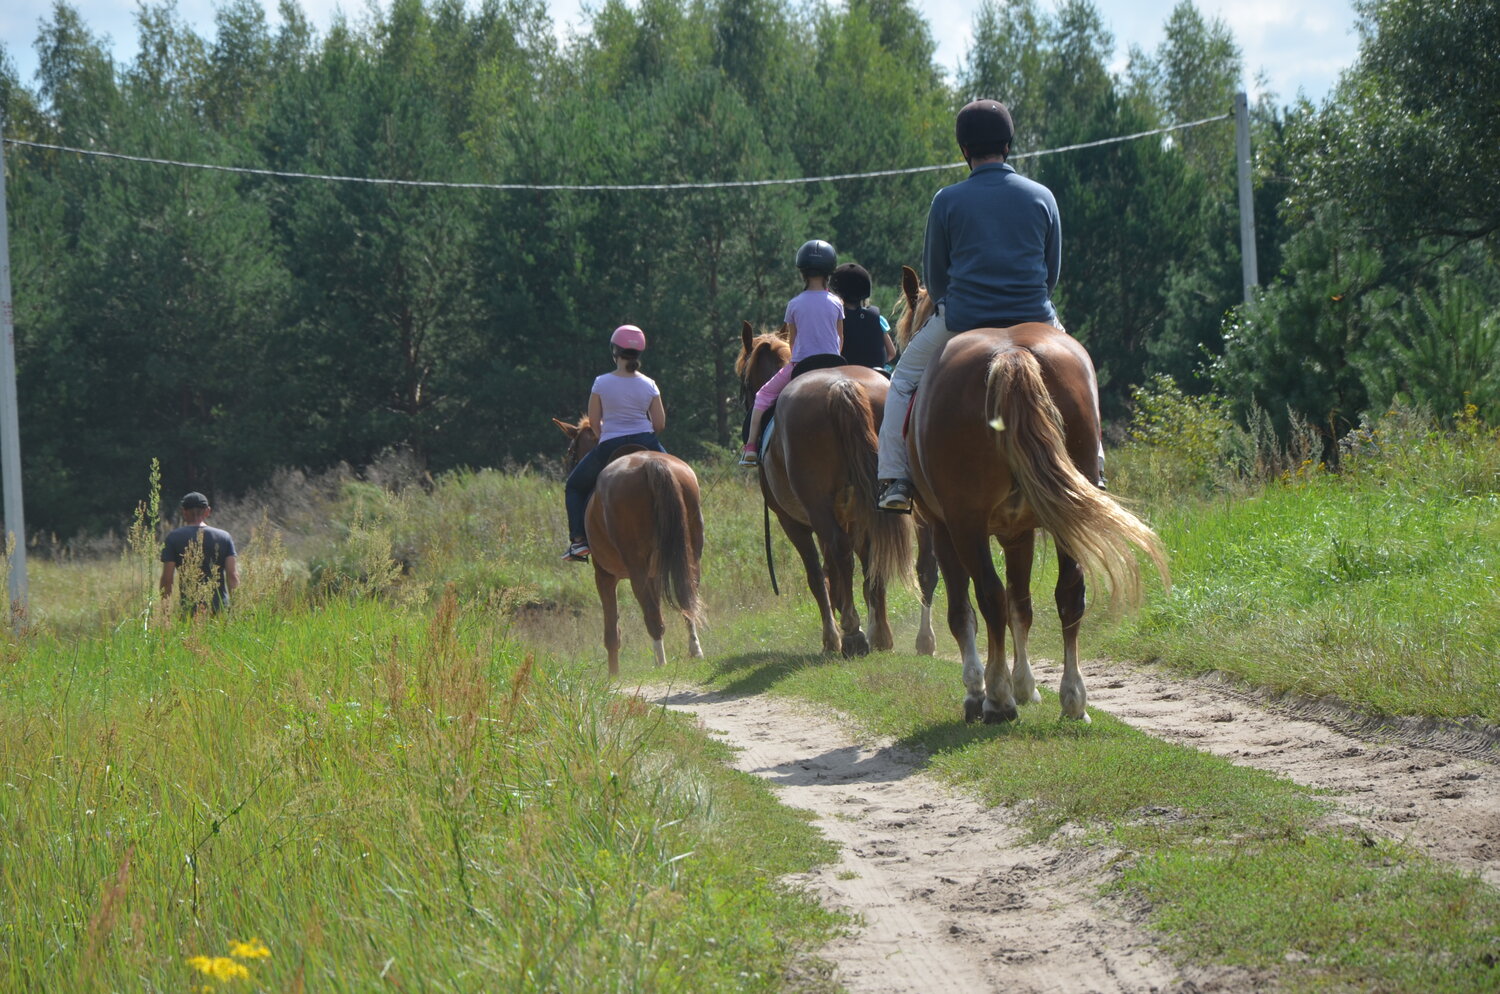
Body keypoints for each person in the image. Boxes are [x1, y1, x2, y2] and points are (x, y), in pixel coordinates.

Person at [876, 99, 1080, 512]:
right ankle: (1094, 467)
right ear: (1008, 144)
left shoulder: (946, 200)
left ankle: (896, 479)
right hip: (1035, 314)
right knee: (1081, 371)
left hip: (963, 320)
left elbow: (934, 277)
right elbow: (1051, 270)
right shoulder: (1043, 196)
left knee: (900, 381)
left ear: (964, 149)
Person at [562, 325, 667, 562]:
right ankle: (691, 529)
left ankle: (579, 542)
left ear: (615, 351)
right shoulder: (649, 384)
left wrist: (607, 434)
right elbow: (659, 424)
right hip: (646, 440)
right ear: (639, 354)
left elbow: (596, 426)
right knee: (681, 478)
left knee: (574, 487)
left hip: (610, 444)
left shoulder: (601, 383)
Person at [739, 239, 846, 466]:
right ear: (829, 272)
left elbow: (793, 342)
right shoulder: (837, 302)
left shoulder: (794, 304)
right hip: (834, 363)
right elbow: (840, 338)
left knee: (762, 397)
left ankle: (750, 447)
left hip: (802, 365)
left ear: (803, 273)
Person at [159, 491, 238, 613]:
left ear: (184, 512)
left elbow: (167, 580)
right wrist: (237, 608)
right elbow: (232, 576)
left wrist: (165, 613)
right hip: (220, 610)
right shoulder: (224, 537)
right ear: (208, 511)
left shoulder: (173, 538)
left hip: (190, 611)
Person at [830, 262, 897, 371]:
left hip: (845, 372)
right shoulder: (877, 318)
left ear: (838, 292)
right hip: (876, 373)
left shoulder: (835, 320)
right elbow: (891, 353)